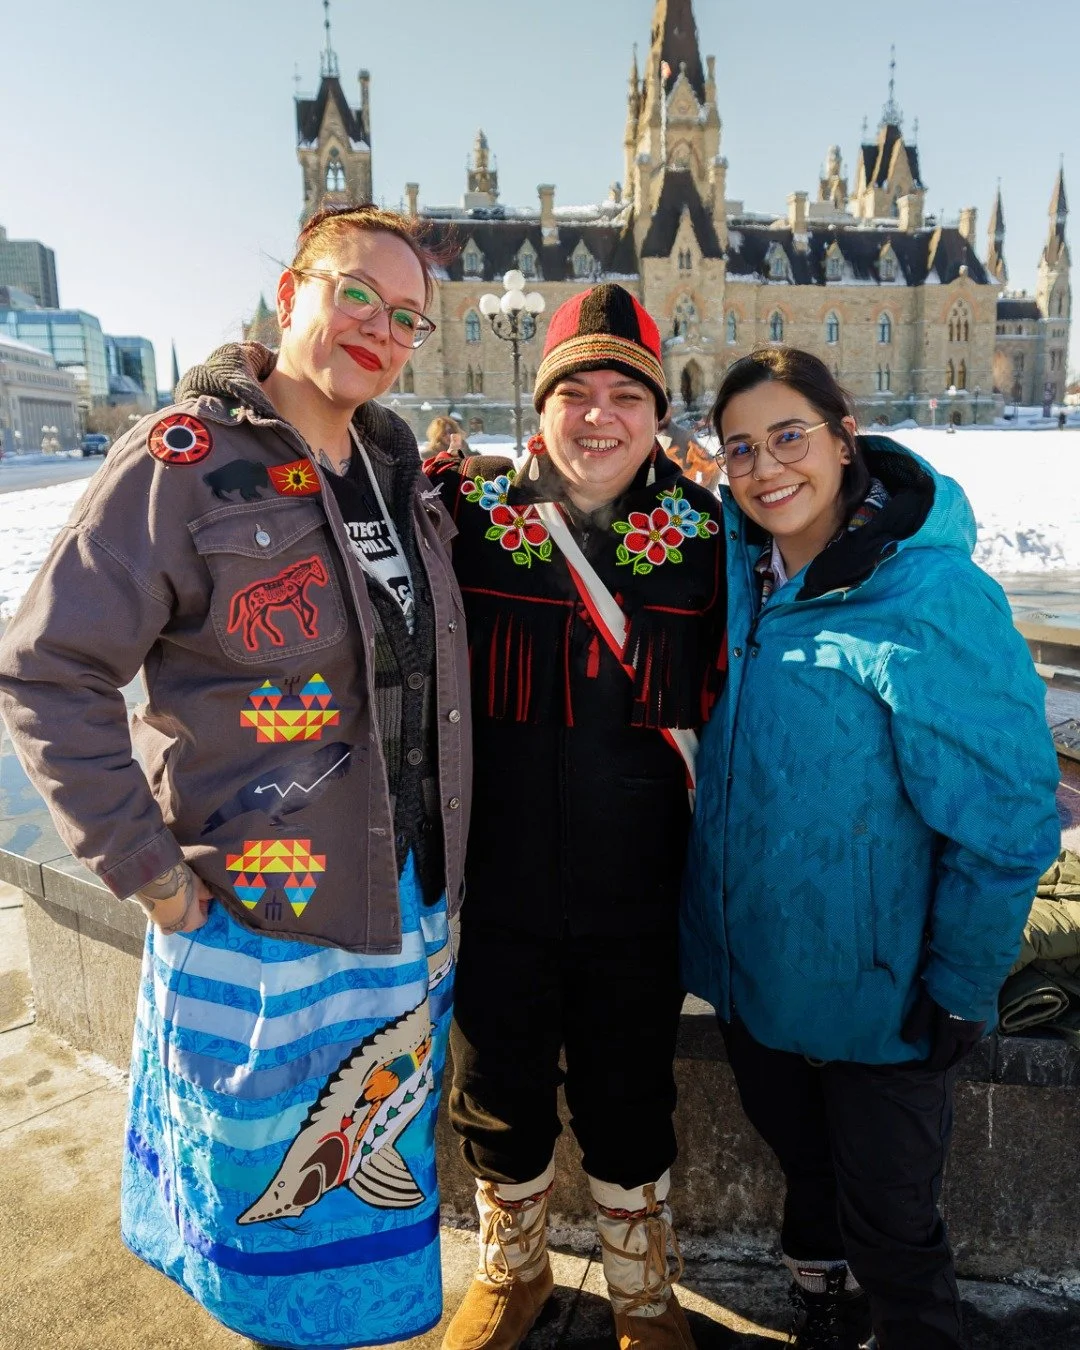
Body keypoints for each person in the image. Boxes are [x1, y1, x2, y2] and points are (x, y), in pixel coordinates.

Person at [0, 204, 472, 1349]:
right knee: (268, 1209)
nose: (380, 328)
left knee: (365, 1181)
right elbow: (49, 670)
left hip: (396, 906)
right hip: (260, 913)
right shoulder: (185, 463)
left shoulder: (395, 469)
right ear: (291, 292)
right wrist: (148, 873)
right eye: (356, 293)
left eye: (405, 315)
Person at [681, 347, 1060, 1350]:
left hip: (883, 994)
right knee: (805, 1172)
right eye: (742, 448)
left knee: (895, 1226)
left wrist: (959, 985)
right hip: (755, 976)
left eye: (791, 436)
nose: (768, 470)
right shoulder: (742, 569)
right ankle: (823, 1306)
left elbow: (1008, 817)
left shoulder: (930, 597)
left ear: (848, 436)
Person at [426, 284, 726, 1350]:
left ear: (658, 414)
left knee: (631, 1093)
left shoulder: (711, 538)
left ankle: (644, 1288)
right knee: (493, 1088)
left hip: (640, 893)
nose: (600, 416)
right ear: (540, 408)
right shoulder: (462, 521)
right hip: (497, 884)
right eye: (576, 393)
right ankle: (513, 1271)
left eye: (626, 395)